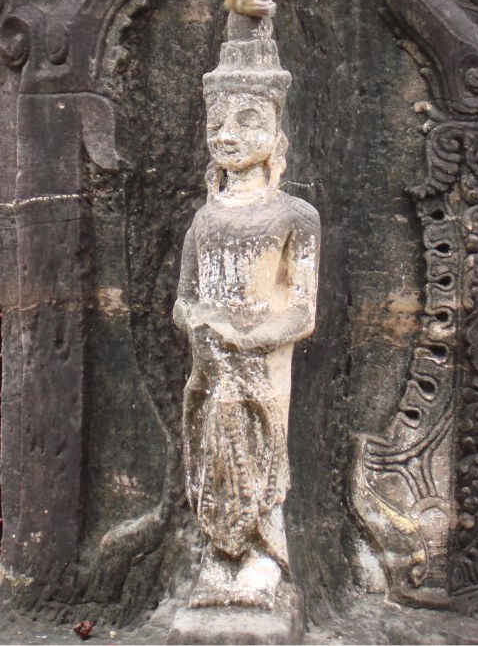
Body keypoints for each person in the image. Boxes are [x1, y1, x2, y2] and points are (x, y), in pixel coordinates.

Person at [173, 88, 320, 609]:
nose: (228, 134)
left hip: (262, 361)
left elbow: (302, 312)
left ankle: (262, 555)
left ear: (276, 136)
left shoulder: (296, 216)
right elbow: (184, 299)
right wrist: (202, 323)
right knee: (214, 454)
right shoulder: (204, 219)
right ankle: (220, 554)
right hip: (211, 362)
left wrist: (249, 336)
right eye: (217, 123)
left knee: (262, 449)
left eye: (246, 121)